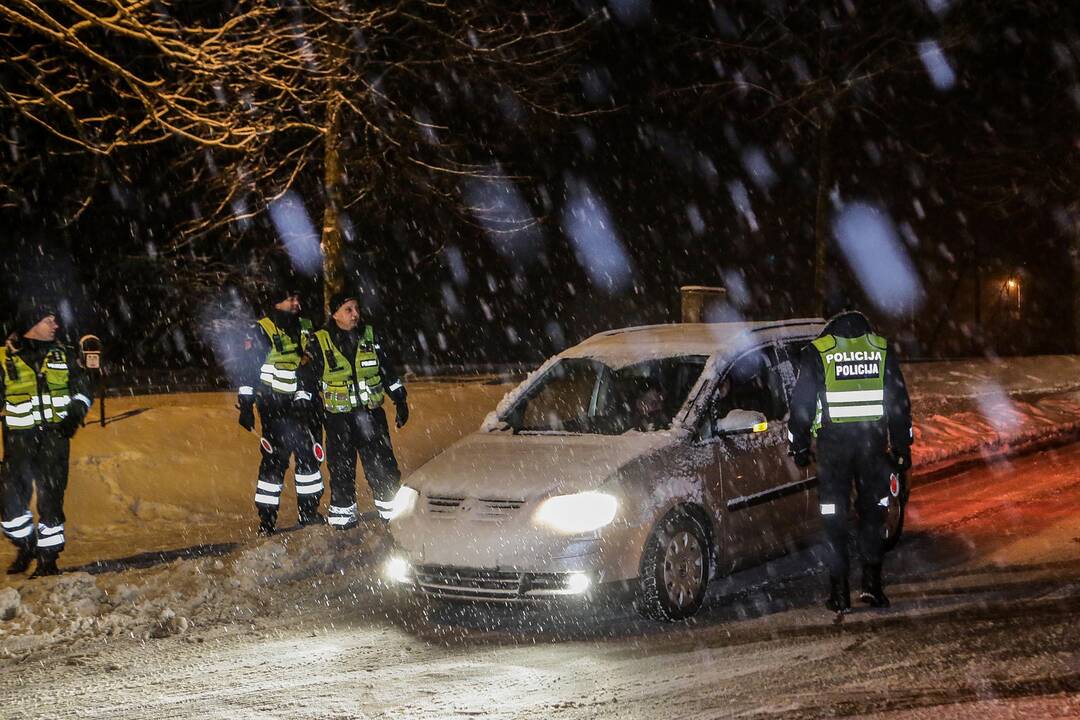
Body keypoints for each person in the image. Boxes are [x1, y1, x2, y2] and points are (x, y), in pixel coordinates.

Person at [788, 304, 913, 613]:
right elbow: (897, 402)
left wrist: (800, 446)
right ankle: (872, 585)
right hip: (872, 445)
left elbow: (802, 404)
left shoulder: (819, 351)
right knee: (873, 512)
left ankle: (839, 592)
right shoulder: (880, 348)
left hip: (833, 449)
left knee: (834, 516)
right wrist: (901, 446)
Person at [1, 299, 93, 577]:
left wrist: (74, 414)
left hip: (55, 438)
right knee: (9, 501)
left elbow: (83, 388)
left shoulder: (63, 354)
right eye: (48, 320)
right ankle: (26, 543)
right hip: (19, 441)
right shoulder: (5, 358)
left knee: (51, 498)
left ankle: (48, 560)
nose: (55, 324)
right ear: (32, 325)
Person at [305, 291, 408, 529]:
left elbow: (387, 372)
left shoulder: (370, 336)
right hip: (338, 420)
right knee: (341, 471)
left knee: (383, 467)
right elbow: (307, 381)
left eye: (356, 308)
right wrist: (307, 409)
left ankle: (392, 517)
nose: (355, 314)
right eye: (348, 309)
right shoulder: (320, 340)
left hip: (371, 416)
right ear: (335, 314)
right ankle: (343, 522)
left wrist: (400, 399)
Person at [237, 284, 324, 535]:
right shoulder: (261, 329)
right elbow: (248, 370)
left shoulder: (306, 326)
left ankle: (308, 512)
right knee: (274, 462)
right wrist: (246, 404)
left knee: (309, 459)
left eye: (297, 297)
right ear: (277, 303)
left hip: (305, 405)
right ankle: (267, 520)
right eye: (290, 298)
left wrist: (307, 396)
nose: (296, 303)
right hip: (274, 407)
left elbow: (314, 363)